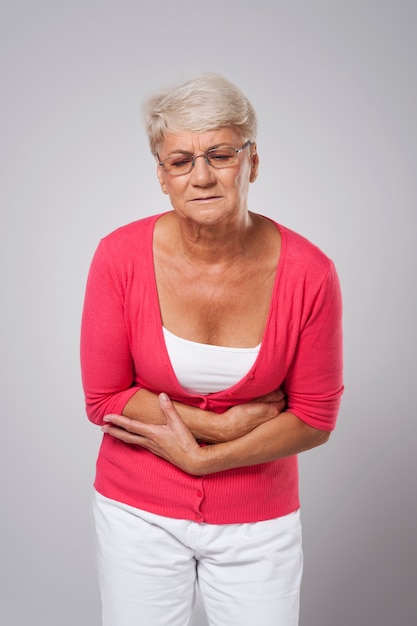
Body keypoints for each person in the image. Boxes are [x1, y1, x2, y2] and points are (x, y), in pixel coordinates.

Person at [80, 72, 343, 626]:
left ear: (251, 161)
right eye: (181, 160)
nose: (201, 176)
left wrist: (207, 458)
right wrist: (222, 427)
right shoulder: (118, 258)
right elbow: (104, 398)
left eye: (219, 154)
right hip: (137, 512)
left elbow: (316, 418)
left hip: (260, 520)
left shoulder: (310, 274)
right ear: (162, 176)